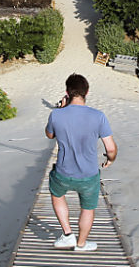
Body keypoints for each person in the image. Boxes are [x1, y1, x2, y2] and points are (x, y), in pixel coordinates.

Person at [45, 73, 117, 252]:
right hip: (89, 174)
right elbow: (111, 148)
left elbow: (49, 135)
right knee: (88, 208)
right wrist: (110, 160)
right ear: (87, 92)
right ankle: (81, 244)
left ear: (67, 92)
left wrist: (62, 109)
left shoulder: (56, 115)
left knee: (56, 194)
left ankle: (68, 234)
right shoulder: (98, 116)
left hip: (63, 173)